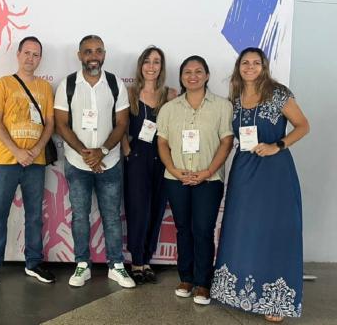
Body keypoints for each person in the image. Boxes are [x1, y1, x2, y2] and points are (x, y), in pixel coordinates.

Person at [210, 47, 309, 322]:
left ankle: (275, 300)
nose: (250, 67)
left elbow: (303, 125)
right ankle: (239, 293)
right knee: (242, 228)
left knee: (274, 231)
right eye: (245, 63)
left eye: (256, 63)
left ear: (263, 66)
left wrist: (279, 145)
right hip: (243, 169)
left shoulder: (278, 93)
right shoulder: (236, 97)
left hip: (274, 171)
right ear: (239, 67)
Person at [54, 35, 135, 288]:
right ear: (79, 55)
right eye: (88, 51)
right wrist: (86, 153)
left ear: (104, 54)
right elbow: (61, 124)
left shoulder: (115, 84)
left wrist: (102, 150)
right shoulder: (68, 84)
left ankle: (116, 265)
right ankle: (82, 265)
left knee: (111, 217)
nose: (93, 56)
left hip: (109, 162)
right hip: (77, 163)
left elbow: (122, 123)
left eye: (98, 51)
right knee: (80, 216)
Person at [156, 55, 233, 305]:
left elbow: (226, 141)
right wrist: (174, 170)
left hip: (208, 180)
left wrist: (208, 171)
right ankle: (186, 278)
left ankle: (203, 283)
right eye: (187, 72)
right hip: (176, 178)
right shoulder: (169, 109)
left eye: (199, 71)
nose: (193, 76)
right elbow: (163, 142)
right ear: (181, 77)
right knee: (183, 230)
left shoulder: (223, 106)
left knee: (203, 230)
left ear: (207, 75)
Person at [0, 36, 56, 285]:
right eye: (27, 53)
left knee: (34, 215)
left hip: (35, 162)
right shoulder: (3, 84)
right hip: (6, 161)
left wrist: (34, 150)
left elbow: (50, 124)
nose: (30, 58)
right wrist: (17, 150)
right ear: (18, 55)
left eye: (36, 54)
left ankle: (33, 263)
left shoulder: (45, 88)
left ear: (40, 59)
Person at [121, 46, 177, 284]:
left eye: (156, 62)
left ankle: (147, 261)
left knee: (156, 210)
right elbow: (120, 125)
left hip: (163, 158)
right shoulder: (129, 93)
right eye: (147, 61)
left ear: (161, 67)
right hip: (137, 159)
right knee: (138, 211)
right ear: (140, 65)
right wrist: (127, 150)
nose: (151, 66)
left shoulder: (170, 95)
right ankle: (136, 260)